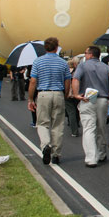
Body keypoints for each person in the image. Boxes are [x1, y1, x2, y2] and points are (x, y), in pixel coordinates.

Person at [28, 37, 71, 165]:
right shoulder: (63, 62)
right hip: (58, 93)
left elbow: (33, 81)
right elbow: (67, 80)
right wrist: (66, 94)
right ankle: (56, 153)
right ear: (57, 48)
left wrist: (31, 98)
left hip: (43, 93)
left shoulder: (38, 62)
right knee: (57, 125)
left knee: (42, 123)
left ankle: (46, 144)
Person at [71, 46, 109, 167]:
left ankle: (91, 158)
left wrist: (76, 94)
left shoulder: (83, 66)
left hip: (88, 98)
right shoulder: (106, 67)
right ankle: (102, 153)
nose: (85, 55)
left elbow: (76, 79)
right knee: (101, 127)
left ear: (90, 54)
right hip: (103, 99)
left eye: (85, 53)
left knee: (89, 128)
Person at [64, 58, 81, 137]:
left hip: (68, 94)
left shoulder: (66, 73)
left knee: (71, 112)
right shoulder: (77, 72)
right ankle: (77, 123)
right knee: (77, 110)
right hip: (76, 93)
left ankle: (74, 130)